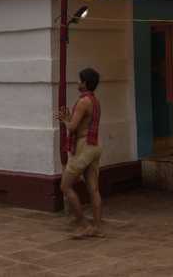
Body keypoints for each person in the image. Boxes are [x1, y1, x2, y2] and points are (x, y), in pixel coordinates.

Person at [56, 67, 104, 239]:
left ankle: (84, 224)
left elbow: (72, 126)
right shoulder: (95, 100)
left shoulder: (84, 101)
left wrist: (63, 120)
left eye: (79, 80)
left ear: (85, 83)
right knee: (93, 189)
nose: (77, 82)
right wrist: (69, 118)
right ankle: (97, 227)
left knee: (65, 186)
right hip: (94, 144)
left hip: (84, 146)